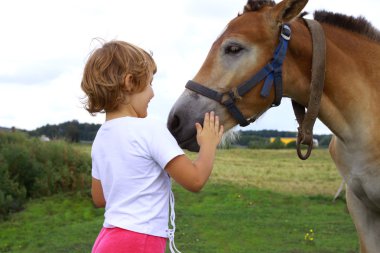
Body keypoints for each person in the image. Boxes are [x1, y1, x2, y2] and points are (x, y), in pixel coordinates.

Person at [81, 40, 224, 253]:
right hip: (138, 242)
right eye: (149, 83)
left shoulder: (101, 138)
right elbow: (195, 180)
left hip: (107, 240)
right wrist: (209, 144)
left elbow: (100, 197)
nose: (152, 94)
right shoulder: (149, 130)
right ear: (129, 82)